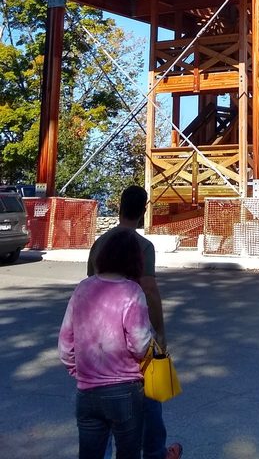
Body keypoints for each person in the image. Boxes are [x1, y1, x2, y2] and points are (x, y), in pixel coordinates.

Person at [88, 186, 182, 459]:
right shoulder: (143, 246)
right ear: (144, 211)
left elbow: (90, 287)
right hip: (133, 330)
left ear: (119, 207)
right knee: (148, 397)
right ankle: (155, 453)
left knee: (102, 401)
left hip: (100, 335)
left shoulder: (99, 243)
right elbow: (150, 290)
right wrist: (161, 333)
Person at [59, 228, 152, 459]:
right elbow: (139, 345)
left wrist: (78, 372)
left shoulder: (83, 288)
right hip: (124, 391)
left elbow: (65, 345)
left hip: (87, 392)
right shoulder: (132, 292)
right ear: (134, 260)